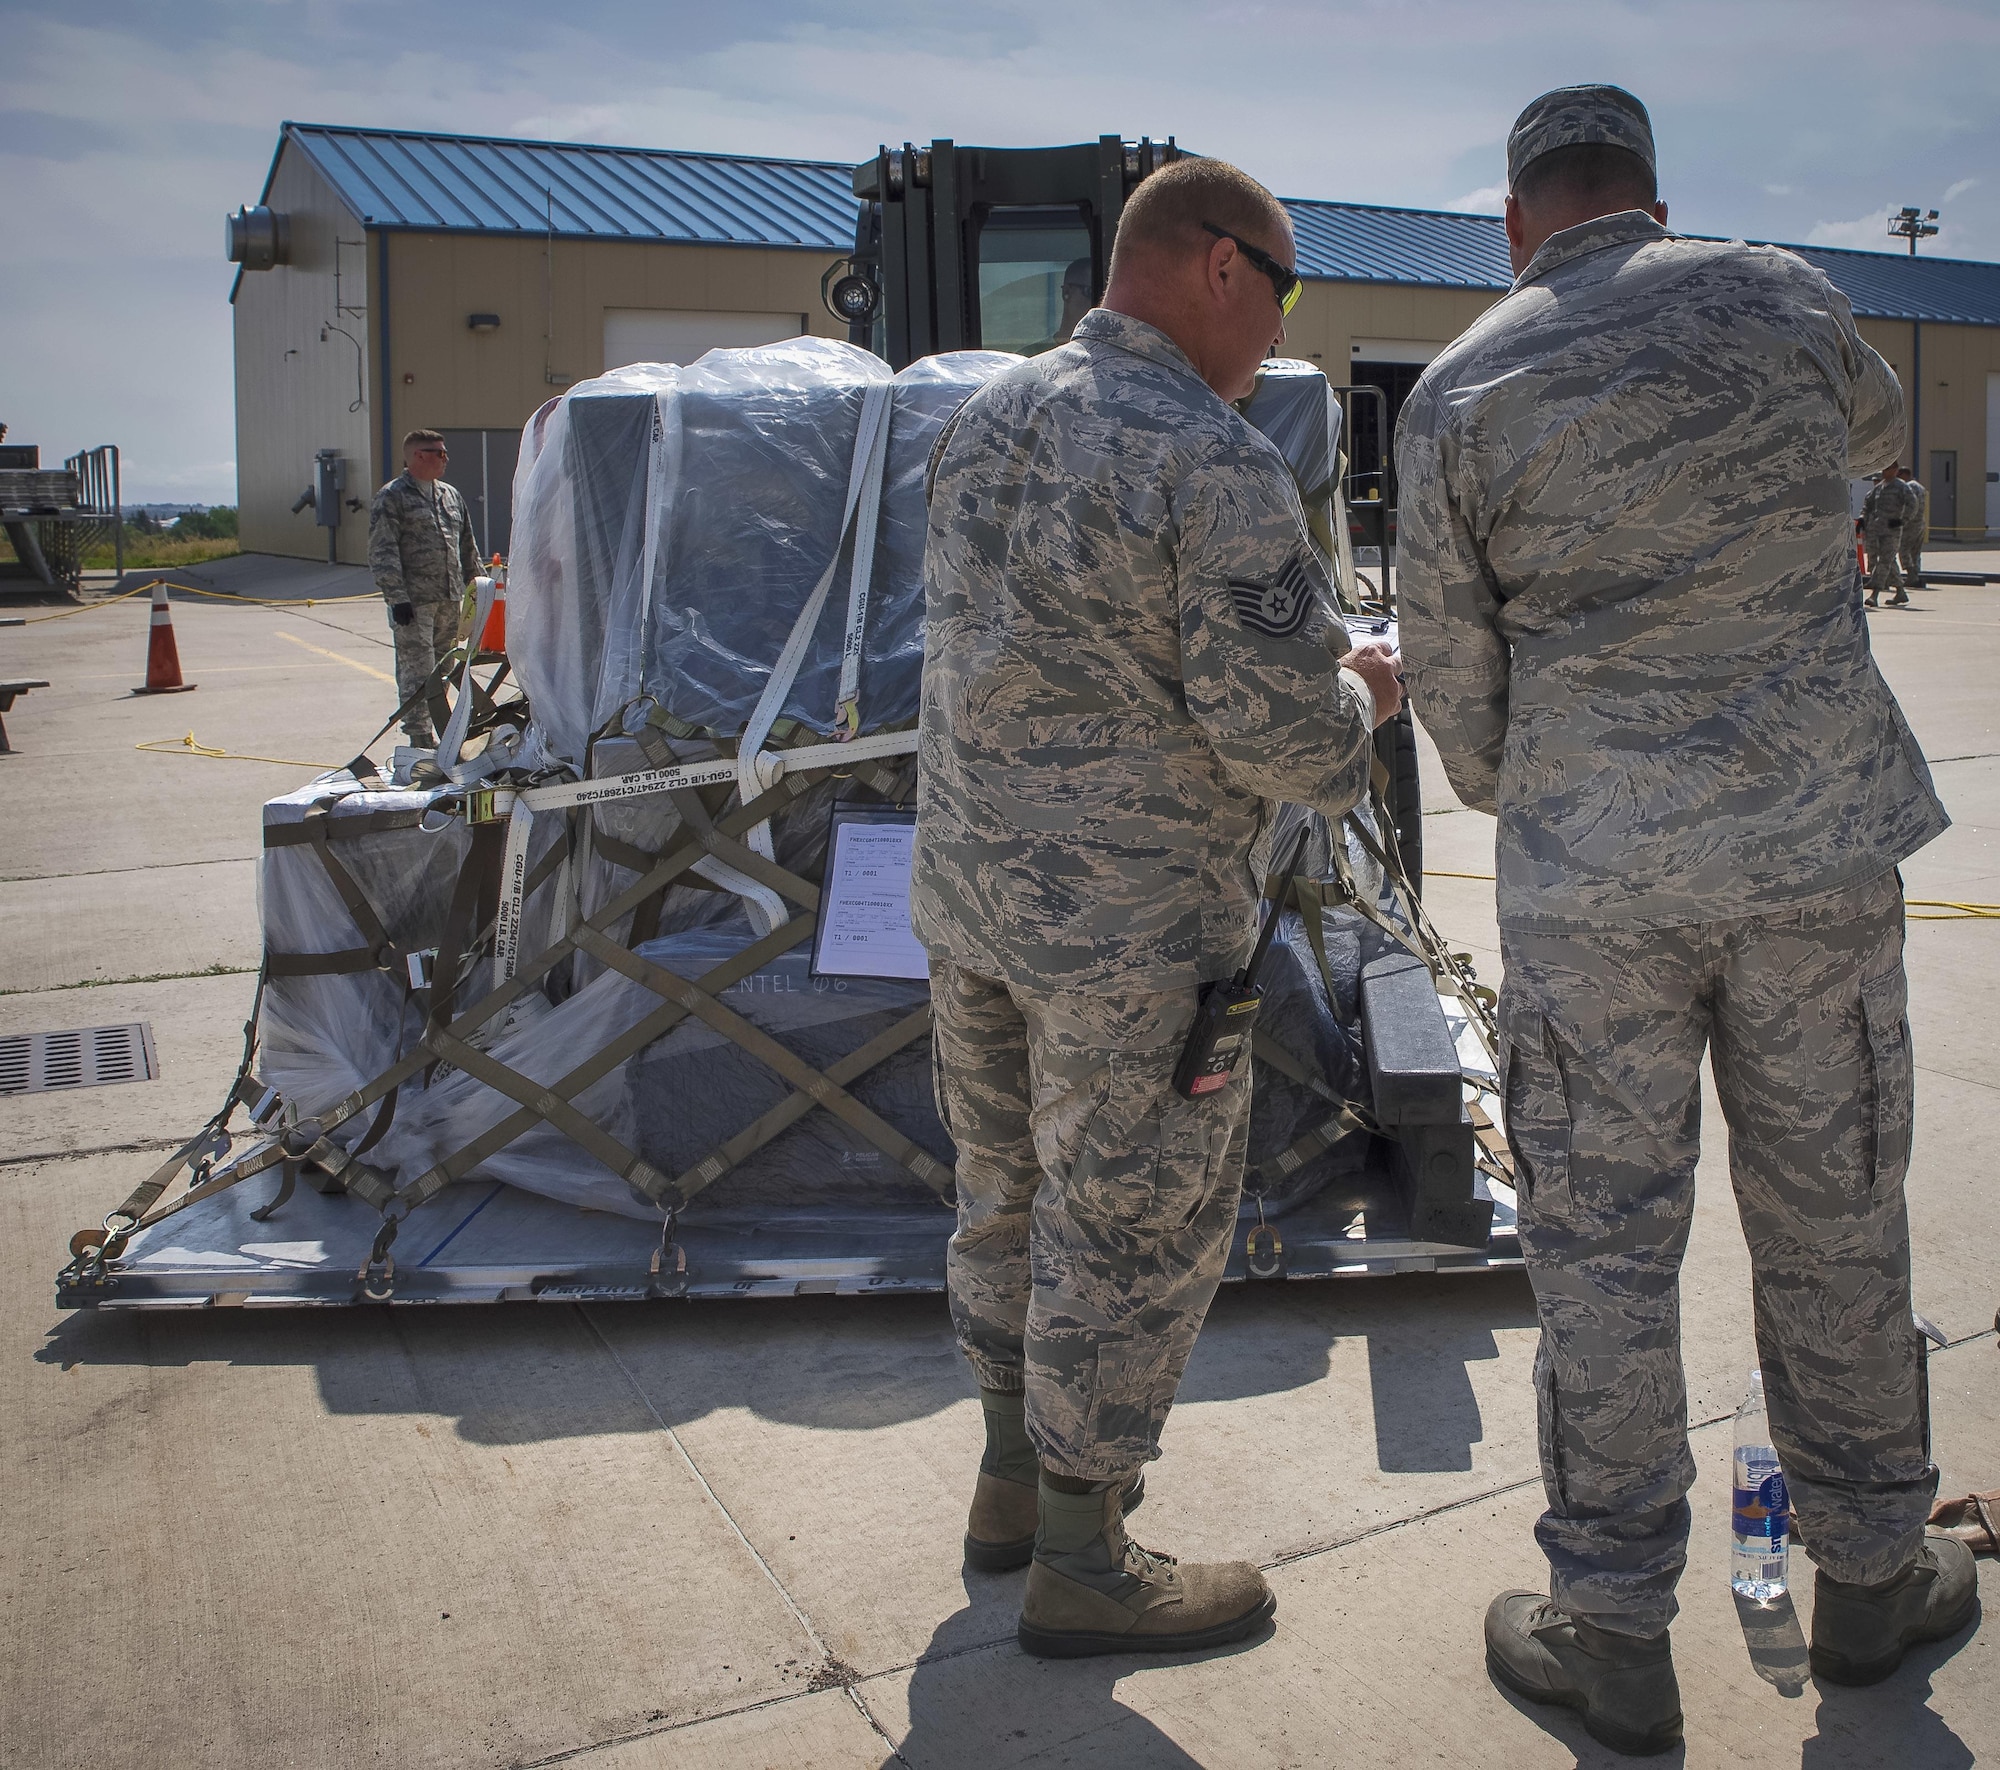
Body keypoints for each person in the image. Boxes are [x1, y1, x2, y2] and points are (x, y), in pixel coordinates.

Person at [1397, 83, 1976, 1757]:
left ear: (1519, 219)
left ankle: (1615, 1631)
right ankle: (1870, 1582)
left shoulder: (1458, 388)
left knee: (1601, 1255)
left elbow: (1448, 676)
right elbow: (1871, 437)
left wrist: (1553, 793)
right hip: (1812, 860)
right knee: (1837, 1215)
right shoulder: (1780, 295)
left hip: (1597, 889)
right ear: (1652, 196)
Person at [914, 155, 1402, 1660]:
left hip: (976, 901)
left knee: (1001, 1193)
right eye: (1287, 291)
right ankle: (1082, 1548)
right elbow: (1284, 742)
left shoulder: (983, 418)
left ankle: (1008, 1482)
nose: (1278, 328)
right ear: (1220, 268)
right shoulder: (1213, 455)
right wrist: (1362, 701)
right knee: (1130, 1220)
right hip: (1131, 934)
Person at [368, 429, 478, 747]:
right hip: (415, 604)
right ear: (419, 456)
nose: (446, 459)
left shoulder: (450, 496)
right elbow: (382, 550)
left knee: (444, 668)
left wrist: (479, 590)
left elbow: (467, 547)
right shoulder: (393, 497)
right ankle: (419, 738)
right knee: (417, 670)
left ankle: (439, 731)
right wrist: (396, 596)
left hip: (450, 599)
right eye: (439, 453)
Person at [1862, 465, 1916, 606]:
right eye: (1883, 470)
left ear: (1895, 470)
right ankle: (1900, 592)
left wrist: (1902, 520)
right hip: (1877, 530)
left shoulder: (1901, 487)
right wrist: (1864, 519)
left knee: (1885, 561)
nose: (1884, 472)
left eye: (1887, 470)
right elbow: (1868, 503)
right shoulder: (1879, 487)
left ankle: (1875, 594)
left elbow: (1913, 504)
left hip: (1892, 531)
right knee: (1889, 562)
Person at [1899, 464, 1929, 587]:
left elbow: (1907, 505)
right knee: (1915, 552)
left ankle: (1911, 575)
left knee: (1904, 549)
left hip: (1910, 524)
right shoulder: (1920, 487)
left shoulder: (1909, 486)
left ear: (1904, 475)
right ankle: (1916, 574)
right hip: (1920, 523)